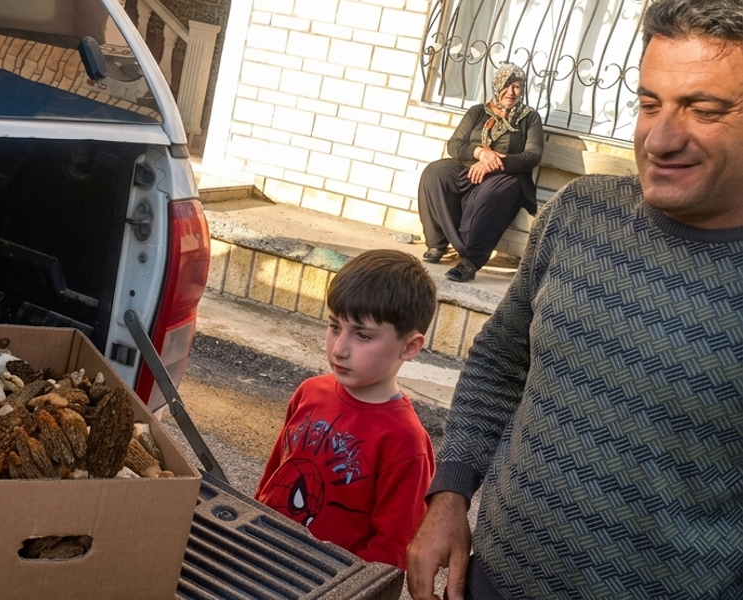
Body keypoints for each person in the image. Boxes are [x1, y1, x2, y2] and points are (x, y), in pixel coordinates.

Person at [406, 0, 743, 598]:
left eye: (705, 110)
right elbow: (499, 364)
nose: (660, 138)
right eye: (648, 104)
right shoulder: (580, 214)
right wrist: (450, 494)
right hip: (488, 581)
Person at [255, 249, 437, 571]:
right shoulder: (310, 392)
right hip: (261, 557)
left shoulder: (405, 441)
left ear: (409, 347)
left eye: (362, 335)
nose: (339, 348)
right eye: (334, 326)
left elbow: (391, 550)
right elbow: (274, 475)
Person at [415, 62, 544, 283]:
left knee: (490, 195)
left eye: (517, 87)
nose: (511, 93)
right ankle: (438, 243)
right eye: (507, 85)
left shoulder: (529, 118)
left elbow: (533, 155)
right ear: (496, 85)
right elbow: (455, 144)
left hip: (507, 177)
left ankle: (470, 261)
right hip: (470, 169)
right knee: (435, 172)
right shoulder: (478, 112)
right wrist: (480, 153)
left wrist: (494, 162)